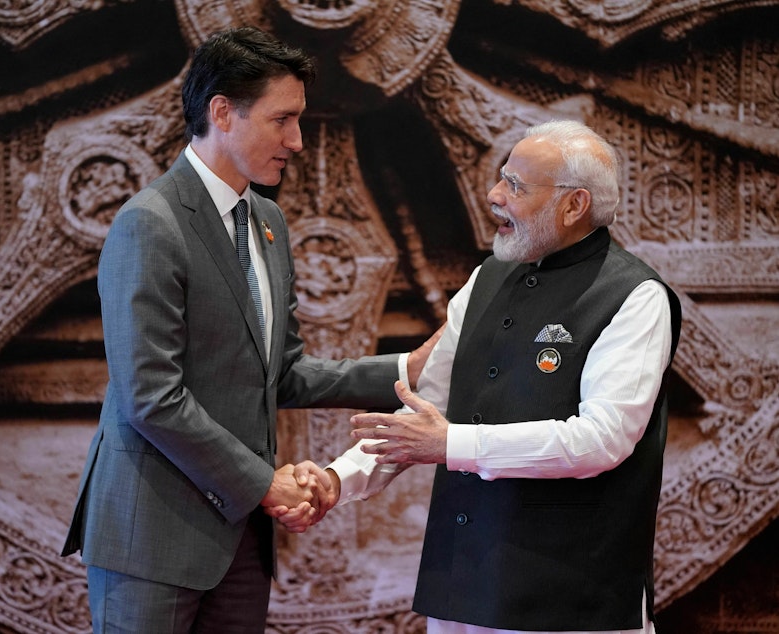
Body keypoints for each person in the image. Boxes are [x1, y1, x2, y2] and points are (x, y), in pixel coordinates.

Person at [61, 26, 435, 634]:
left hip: (240, 541)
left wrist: (403, 370)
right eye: (282, 120)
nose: (298, 141)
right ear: (221, 113)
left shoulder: (266, 221)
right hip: (152, 538)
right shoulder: (149, 223)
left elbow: (281, 371)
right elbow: (150, 395)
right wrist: (265, 483)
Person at [278, 120, 682, 634]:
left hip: (570, 601)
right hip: (462, 588)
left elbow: (601, 440)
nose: (494, 196)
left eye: (515, 186)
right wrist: (339, 479)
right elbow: (426, 415)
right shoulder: (484, 279)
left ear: (574, 205)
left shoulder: (634, 297)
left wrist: (451, 444)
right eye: (501, 179)